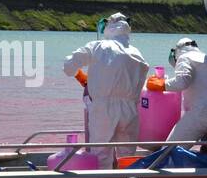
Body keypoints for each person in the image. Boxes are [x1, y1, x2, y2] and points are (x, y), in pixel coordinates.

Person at [63, 12, 150, 168]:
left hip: (103, 108)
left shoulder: (98, 46)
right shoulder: (137, 53)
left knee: (101, 154)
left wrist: (80, 75)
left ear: (108, 27)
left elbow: (68, 66)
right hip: (130, 110)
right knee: (127, 156)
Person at [146, 38, 207, 145]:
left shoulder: (184, 57)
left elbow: (182, 81)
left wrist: (161, 84)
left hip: (206, 112)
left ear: (177, 50)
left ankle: (166, 160)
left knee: (170, 149)